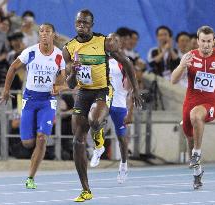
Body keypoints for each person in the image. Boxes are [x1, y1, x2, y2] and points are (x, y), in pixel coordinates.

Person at [63, 9, 142, 202]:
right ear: (75, 24)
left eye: (85, 22)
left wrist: (136, 90)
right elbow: (71, 84)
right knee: (77, 141)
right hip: (83, 93)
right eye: (78, 22)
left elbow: (127, 63)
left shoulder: (104, 42)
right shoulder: (69, 48)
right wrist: (72, 72)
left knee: (94, 120)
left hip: (103, 90)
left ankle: (99, 140)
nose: (81, 25)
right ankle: (85, 189)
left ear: (91, 25)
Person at [0, 23, 66, 189]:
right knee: (28, 143)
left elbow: (63, 78)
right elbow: (13, 67)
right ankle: (37, 127)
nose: (43, 34)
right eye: (41, 31)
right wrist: (6, 90)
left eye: (47, 31)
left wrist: (58, 86)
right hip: (29, 99)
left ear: (54, 35)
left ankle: (30, 177)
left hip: (47, 101)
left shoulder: (59, 56)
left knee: (42, 139)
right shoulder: (30, 52)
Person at [171, 25, 215, 190]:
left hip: (209, 104)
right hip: (189, 102)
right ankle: (197, 174)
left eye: (209, 41)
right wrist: (182, 66)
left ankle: (197, 154)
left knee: (196, 115)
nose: (206, 45)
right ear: (197, 41)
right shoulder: (189, 57)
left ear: (214, 41)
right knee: (190, 138)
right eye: (203, 41)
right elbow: (173, 80)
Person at [109, 56, 133, 184]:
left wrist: (130, 113)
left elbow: (132, 89)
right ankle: (98, 147)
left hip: (120, 103)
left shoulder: (125, 62)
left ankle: (123, 164)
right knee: (94, 121)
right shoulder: (99, 59)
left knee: (122, 139)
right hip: (104, 101)